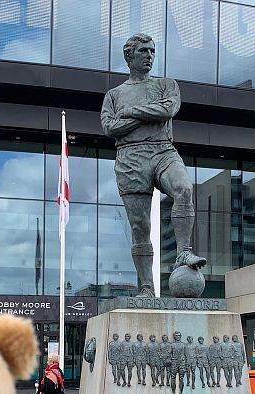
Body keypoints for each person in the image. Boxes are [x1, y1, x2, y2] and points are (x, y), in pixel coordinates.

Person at [101, 33, 206, 298]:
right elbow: (110, 127)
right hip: (130, 158)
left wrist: (132, 112)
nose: (149, 55)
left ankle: (183, 251)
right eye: (143, 51)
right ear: (129, 56)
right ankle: (147, 287)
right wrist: (149, 114)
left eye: (152, 51)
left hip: (163, 150)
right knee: (140, 227)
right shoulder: (113, 95)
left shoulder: (167, 84)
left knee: (183, 188)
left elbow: (169, 109)